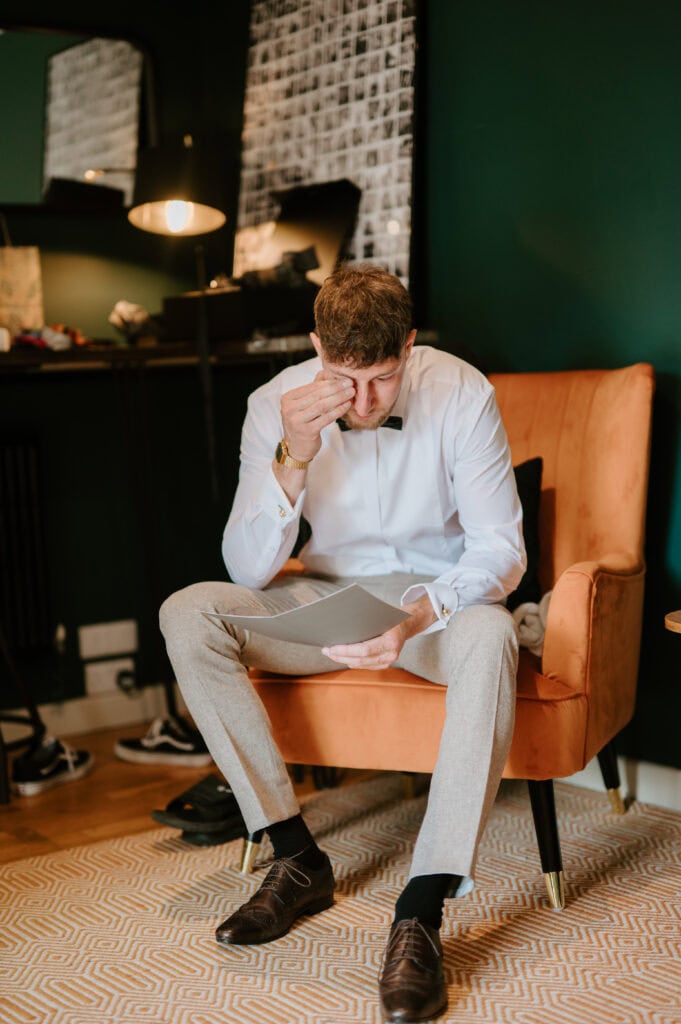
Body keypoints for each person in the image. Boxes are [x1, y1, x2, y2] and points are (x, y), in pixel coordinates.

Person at [159, 264, 525, 1023]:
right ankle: (295, 858)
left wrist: (423, 612)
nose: (360, 402)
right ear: (315, 345)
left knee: (491, 632)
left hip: (428, 608)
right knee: (189, 610)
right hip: (319, 598)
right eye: (343, 378)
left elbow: (500, 550)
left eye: (382, 381)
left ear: (411, 346)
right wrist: (293, 450)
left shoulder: (461, 391)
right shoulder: (274, 405)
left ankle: (421, 910)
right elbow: (246, 568)